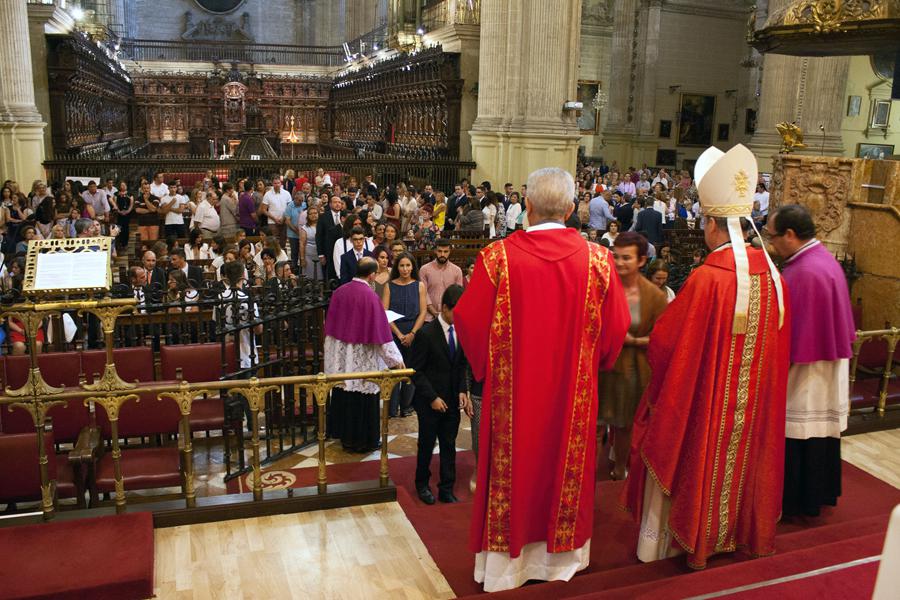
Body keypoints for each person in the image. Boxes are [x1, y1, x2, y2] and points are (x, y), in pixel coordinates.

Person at [454, 167, 630, 592]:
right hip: (575, 396)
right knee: (563, 468)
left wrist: (487, 370)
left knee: (515, 471)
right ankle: (560, 562)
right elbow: (617, 328)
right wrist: (594, 363)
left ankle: (505, 569)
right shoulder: (599, 261)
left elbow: (467, 320)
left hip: (511, 401)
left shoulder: (497, 259)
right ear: (572, 209)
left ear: (527, 207)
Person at [623, 144, 790, 569]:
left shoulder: (707, 280)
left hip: (704, 407)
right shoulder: (771, 276)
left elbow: (667, 345)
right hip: (751, 407)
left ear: (713, 226)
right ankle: (732, 533)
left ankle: (680, 541)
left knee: (692, 452)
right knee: (739, 463)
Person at [765, 204, 855, 518]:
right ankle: (816, 495)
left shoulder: (802, 272)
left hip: (807, 370)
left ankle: (795, 501)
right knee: (819, 434)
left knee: (800, 431)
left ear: (790, 234)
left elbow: (790, 335)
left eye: (773, 237)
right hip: (824, 362)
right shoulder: (823, 259)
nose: (771, 244)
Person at [599, 233, 668, 481]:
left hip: (632, 370)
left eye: (626, 258)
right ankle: (589, 471)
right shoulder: (602, 285)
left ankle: (619, 468)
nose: (619, 262)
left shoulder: (654, 296)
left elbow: (663, 337)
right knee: (595, 423)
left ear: (641, 261)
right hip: (601, 367)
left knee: (624, 424)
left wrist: (634, 341)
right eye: (616, 256)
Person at [325, 257, 404, 452]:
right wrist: (397, 360)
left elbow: (331, 331)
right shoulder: (370, 297)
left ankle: (347, 439)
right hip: (363, 362)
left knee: (345, 396)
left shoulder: (339, 292)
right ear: (372, 275)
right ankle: (365, 442)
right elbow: (382, 336)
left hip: (342, 360)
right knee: (363, 401)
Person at [410, 284, 472, 504]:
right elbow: (415, 371)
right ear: (445, 308)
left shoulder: (462, 330)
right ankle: (422, 485)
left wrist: (463, 390)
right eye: (456, 311)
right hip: (430, 401)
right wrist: (433, 398)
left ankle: (446, 488)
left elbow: (462, 363)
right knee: (426, 444)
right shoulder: (426, 333)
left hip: (453, 400)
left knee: (449, 445)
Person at [383, 251, 428, 418]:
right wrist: (400, 334)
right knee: (395, 370)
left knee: (411, 370)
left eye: (408, 265)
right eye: (402, 265)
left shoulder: (419, 285)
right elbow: (385, 312)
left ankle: (407, 406)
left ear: (412, 267)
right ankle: (392, 409)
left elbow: (423, 312)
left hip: (413, 332)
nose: (405, 269)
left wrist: (412, 333)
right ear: (397, 267)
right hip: (394, 332)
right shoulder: (389, 286)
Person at [419, 238, 464, 322]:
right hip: (428, 317)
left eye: (445, 251)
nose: (442, 254)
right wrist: (434, 313)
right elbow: (423, 293)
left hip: (449, 317)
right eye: (439, 251)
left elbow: (457, 296)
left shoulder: (457, 271)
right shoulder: (424, 269)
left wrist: (446, 315)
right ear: (435, 251)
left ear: (450, 252)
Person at [316, 195, 346, 281]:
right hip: (328, 250)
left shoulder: (345, 216)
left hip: (342, 250)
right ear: (330, 204)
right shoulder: (323, 217)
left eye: (339, 202)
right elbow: (319, 236)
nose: (338, 204)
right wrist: (321, 254)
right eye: (335, 202)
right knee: (328, 275)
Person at [261, 176, 291, 246]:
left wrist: (283, 218)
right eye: (275, 183)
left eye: (278, 183)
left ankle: (283, 256)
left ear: (281, 183)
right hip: (272, 222)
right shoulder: (267, 194)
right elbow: (263, 210)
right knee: (274, 241)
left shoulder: (286, 193)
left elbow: (289, 208)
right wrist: (274, 219)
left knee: (283, 240)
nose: (277, 185)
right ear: (272, 184)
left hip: (284, 220)